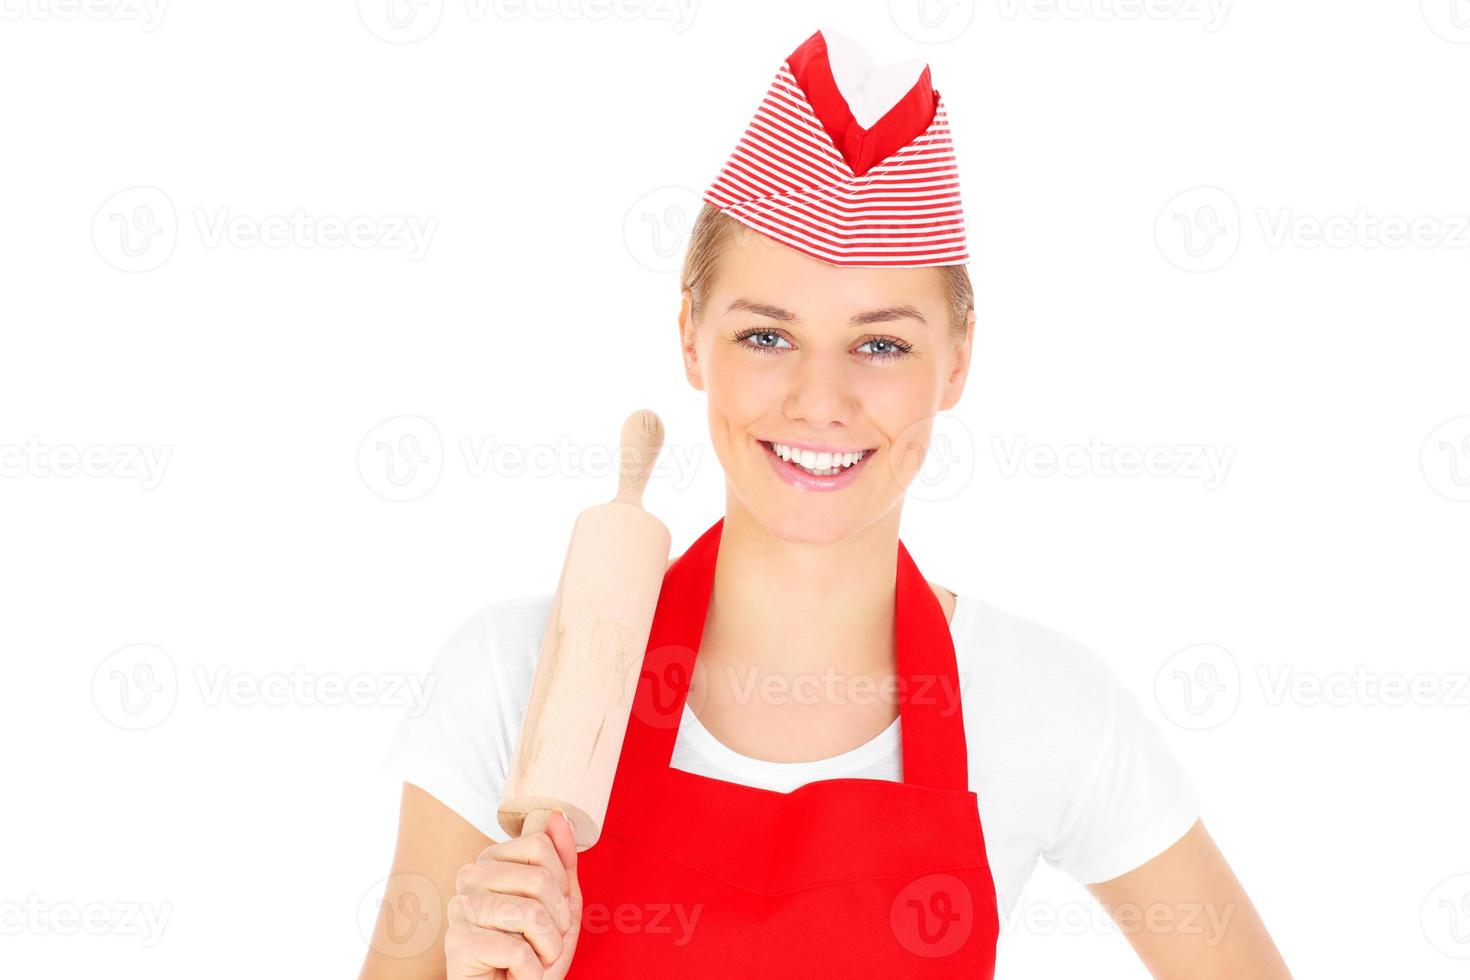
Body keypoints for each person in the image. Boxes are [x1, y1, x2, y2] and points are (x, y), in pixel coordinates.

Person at [358, 27, 1292, 979]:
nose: (819, 399)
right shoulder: (509, 679)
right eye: (767, 336)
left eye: (881, 345)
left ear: (959, 360)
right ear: (689, 335)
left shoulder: (1048, 709)